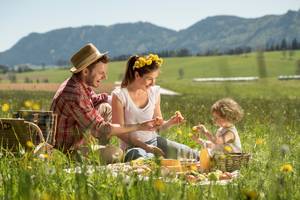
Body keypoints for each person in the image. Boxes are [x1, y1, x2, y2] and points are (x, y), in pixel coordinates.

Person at [50, 43, 156, 160]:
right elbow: (102, 128)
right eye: (101, 73)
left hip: (78, 138)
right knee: (117, 154)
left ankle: (101, 148)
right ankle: (95, 155)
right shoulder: (74, 94)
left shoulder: (78, 83)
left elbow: (94, 99)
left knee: (105, 107)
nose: (105, 77)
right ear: (85, 71)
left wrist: (119, 99)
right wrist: (139, 126)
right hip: (68, 151)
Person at [111, 54, 198, 161]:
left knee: (189, 154)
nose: (153, 84)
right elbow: (118, 131)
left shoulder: (154, 92)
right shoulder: (120, 95)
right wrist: (145, 147)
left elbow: (158, 127)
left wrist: (171, 122)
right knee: (142, 158)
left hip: (155, 141)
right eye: (149, 79)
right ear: (137, 75)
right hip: (132, 147)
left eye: (155, 79)